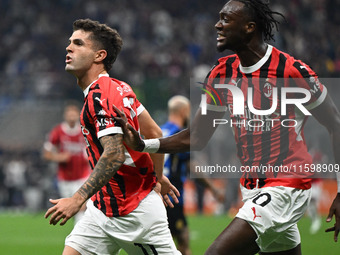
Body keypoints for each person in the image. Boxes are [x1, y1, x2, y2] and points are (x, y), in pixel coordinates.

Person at [113, 1, 340, 254]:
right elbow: (196, 138)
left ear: (249, 27)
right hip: (252, 188)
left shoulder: (292, 72)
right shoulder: (221, 74)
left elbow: (335, 125)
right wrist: (143, 145)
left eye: (225, 19)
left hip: (288, 183)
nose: (217, 24)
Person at [44, 19, 181, 255]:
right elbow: (155, 133)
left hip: (135, 213)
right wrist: (157, 178)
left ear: (99, 55)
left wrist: (77, 199)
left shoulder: (101, 95)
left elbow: (115, 153)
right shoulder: (120, 87)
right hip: (101, 209)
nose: (68, 48)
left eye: (78, 43)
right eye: (69, 43)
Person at [162, 95, 224, 255]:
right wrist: (213, 188)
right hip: (173, 195)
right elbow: (192, 166)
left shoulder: (160, 130)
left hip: (157, 193)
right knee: (183, 241)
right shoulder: (179, 136)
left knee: (162, 242)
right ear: (183, 111)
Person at [43, 102, 91, 223]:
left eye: (74, 114)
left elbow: (92, 150)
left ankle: (79, 236)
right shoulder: (57, 132)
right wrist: (60, 157)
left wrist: (89, 158)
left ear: (78, 115)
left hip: (83, 175)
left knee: (81, 206)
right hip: (64, 178)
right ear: (65, 116)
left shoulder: (84, 130)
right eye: (69, 114)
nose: (71, 117)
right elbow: (46, 154)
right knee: (70, 208)